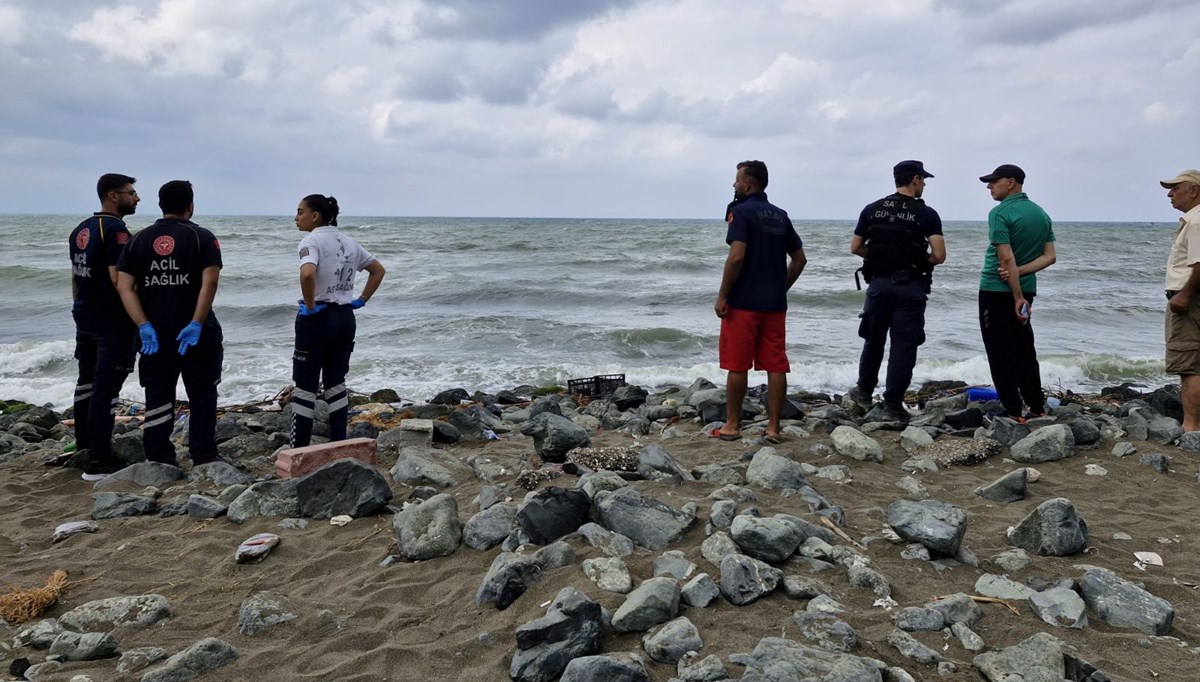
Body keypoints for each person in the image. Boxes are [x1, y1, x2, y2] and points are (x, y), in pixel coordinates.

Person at [117, 180, 224, 467]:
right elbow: (210, 281)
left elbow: (124, 286)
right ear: (190, 205)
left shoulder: (137, 240)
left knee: (158, 395)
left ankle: (159, 455)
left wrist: (142, 325)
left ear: (161, 204)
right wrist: (197, 322)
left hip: (155, 334)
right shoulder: (202, 237)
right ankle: (203, 454)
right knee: (202, 394)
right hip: (196, 335)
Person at [713, 160, 806, 443]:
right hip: (774, 305)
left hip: (744, 302)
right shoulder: (780, 215)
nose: (733, 184)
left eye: (736, 179)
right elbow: (800, 259)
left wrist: (723, 295)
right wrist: (782, 287)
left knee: (737, 365)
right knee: (776, 364)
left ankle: (732, 425)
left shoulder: (741, 213)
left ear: (747, 183)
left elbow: (737, 256)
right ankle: (774, 428)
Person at [847, 160, 946, 422]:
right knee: (904, 346)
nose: (924, 184)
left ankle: (864, 392)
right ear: (915, 179)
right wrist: (918, 261)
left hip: (878, 286)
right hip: (910, 287)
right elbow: (939, 255)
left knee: (873, 340)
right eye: (923, 179)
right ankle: (892, 403)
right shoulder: (927, 214)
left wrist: (878, 256)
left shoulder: (872, 209)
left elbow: (856, 247)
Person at [290, 194, 386, 447]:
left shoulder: (310, 241)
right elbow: (378, 270)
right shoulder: (349, 242)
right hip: (344, 317)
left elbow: (308, 273)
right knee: (336, 382)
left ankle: (299, 447)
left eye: (300, 212)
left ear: (315, 216)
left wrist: (310, 306)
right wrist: (361, 299)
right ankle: (339, 442)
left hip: (317, 318)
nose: (296, 217)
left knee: (305, 385)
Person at [70, 173, 140, 481]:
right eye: (131, 193)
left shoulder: (80, 229)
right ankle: (98, 460)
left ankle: (83, 446)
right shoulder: (115, 231)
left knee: (86, 381)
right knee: (106, 387)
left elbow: (75, 277)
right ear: (113, 196)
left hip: (85, 315)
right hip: (111, 320)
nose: (136, 198)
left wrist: (79, 309)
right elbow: (117, 279)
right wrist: (142, 317)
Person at [977, 164, 1056, 421]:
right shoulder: (1041, 214)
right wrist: (1021, 275)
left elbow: (1005, 256)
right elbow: (1049, 257)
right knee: (1024, 349)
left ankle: (1012, 411)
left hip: (996, 290)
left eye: (993, 181)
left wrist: (1016, 294)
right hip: (1026, 288)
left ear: (1011, 182)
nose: (989, 186)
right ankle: (1037, 407)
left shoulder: (1000, 213)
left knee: (999, 351)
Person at [1160, 169, 1200, 432]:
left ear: (1195, 191)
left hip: (1191, 299)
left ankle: (1191, 428)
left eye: (1176, 188)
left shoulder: (1196, 222)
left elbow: (1199, 263)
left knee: (1190, 365)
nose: (1170, 194)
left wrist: (1184, 294)